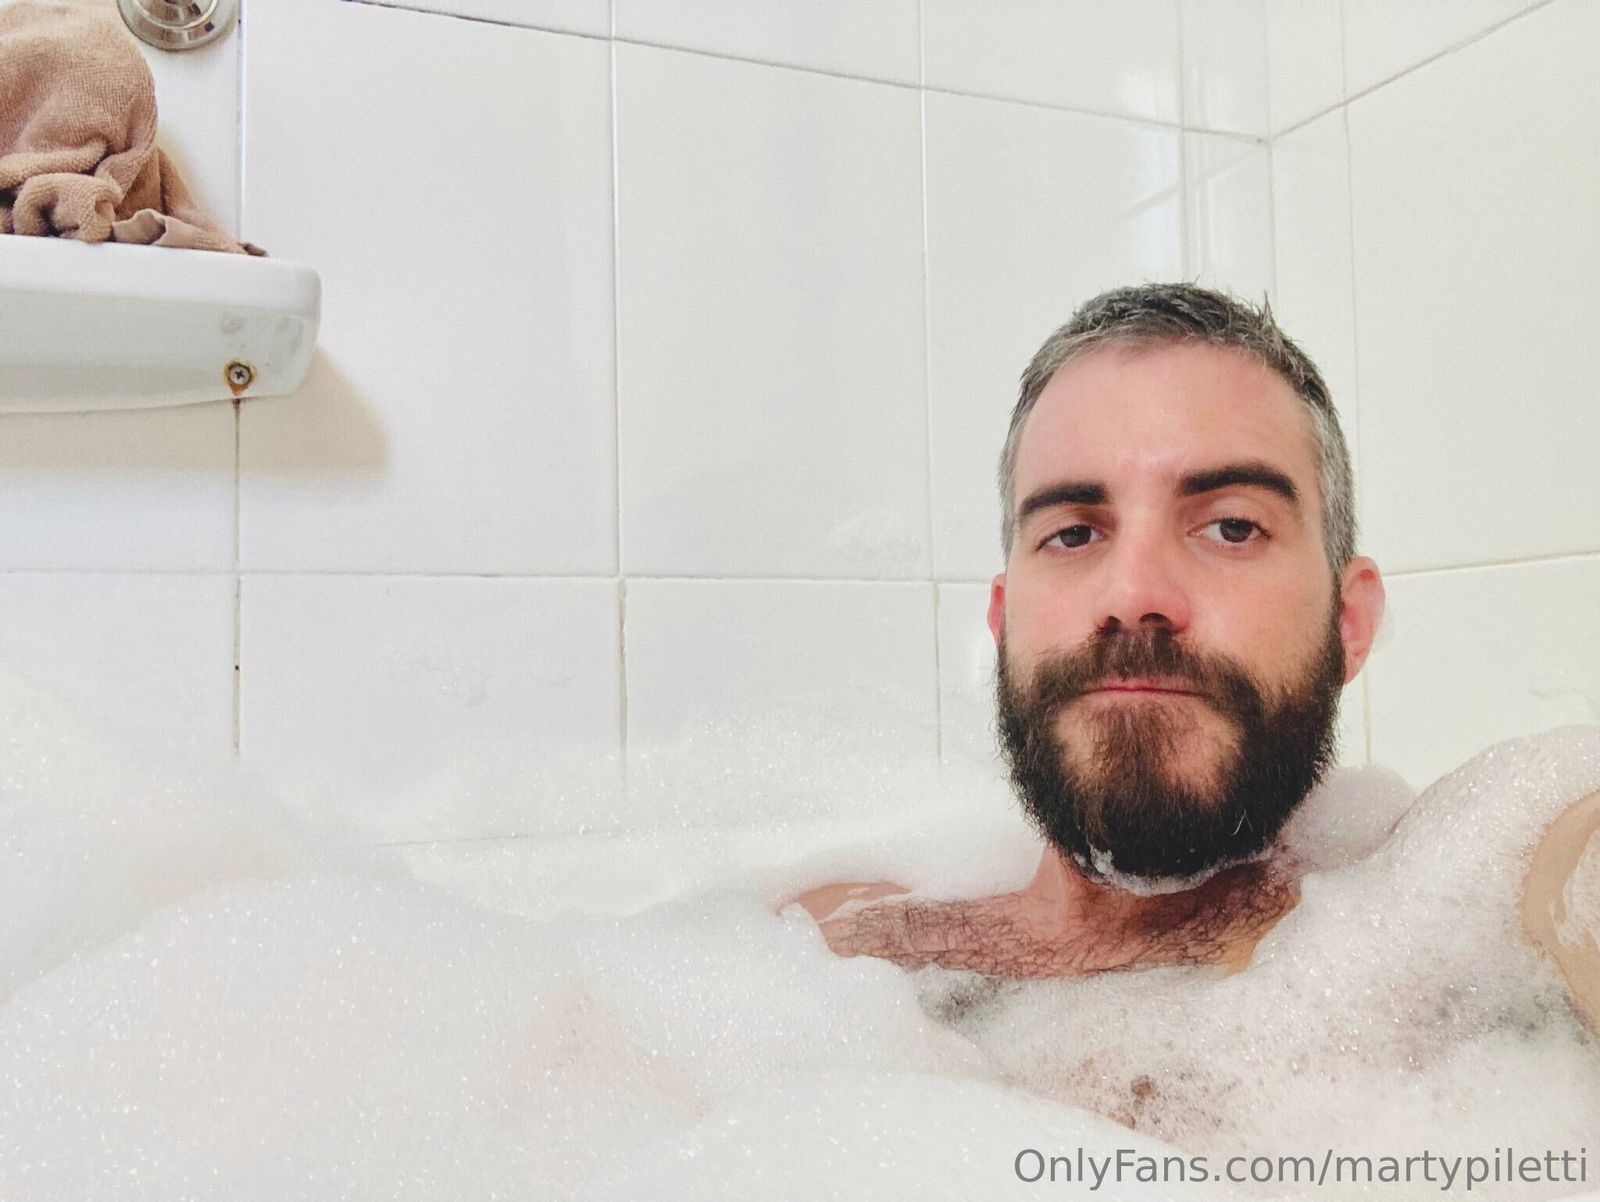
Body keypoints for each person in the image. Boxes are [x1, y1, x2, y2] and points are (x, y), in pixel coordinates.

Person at [796, 283, 1598, 1030]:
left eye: (1231, 527)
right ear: (1003, 624)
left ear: (1348, 622)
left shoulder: (1467, 923)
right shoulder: (836, 955)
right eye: (1072, 534)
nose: (1133, 593)